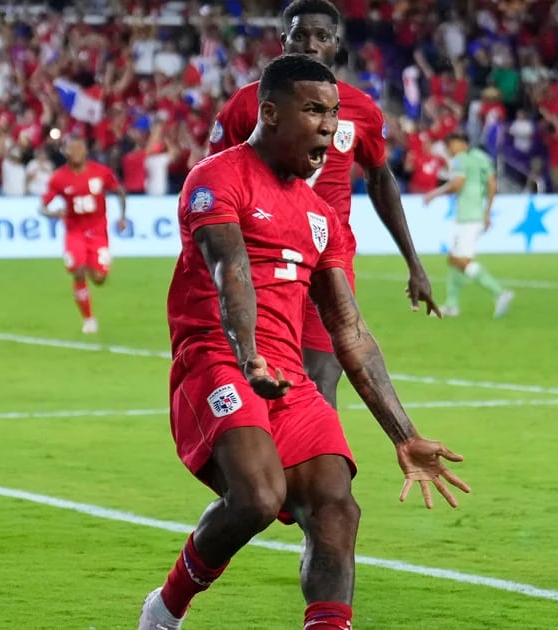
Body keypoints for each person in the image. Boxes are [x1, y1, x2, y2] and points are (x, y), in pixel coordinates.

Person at [138, 54, 469, 630]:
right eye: (314, 110)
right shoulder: (217, 177)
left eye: (334, 113)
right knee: (259, 498)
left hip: (285, 376)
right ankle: (164, 610)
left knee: (337, 507)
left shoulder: (322, 217)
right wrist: (248, 356)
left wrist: (405, 435)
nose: (329, 127)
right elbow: (230, 272)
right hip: (218, 359)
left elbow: (349, 330)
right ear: (269, 112)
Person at [208, 0, 437, 409]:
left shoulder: (362, 109)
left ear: (336, 44)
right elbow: (212, 177)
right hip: (259, 257)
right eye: (299, 34)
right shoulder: (246, 106)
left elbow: (381, 180)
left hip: (327, 257)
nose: (310, 44)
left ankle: (316, 463)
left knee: (322, 377)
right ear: (283, 42)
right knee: (258, 372)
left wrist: (413, 261)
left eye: (322, 36)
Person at [38, 137, 127, 334]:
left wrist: (122, 216)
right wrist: (53, 213)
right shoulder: (59, 178)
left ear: (86, 152)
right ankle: (88, 319)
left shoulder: (100, 172)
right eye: (73, 149)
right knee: (77, 270)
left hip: (98, 233)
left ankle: (89, 262)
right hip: (74, 232)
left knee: (99, 278)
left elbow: (119, 191)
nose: (77, 152)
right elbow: (41, 207)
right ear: (67, 153)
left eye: (80, 149)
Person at [421, 131, 513, 318]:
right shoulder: (482, 157)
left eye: (451, 145)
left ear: (461, 142)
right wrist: (487, 213)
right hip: (477, 215)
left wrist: (434, 194)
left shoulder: (460, 160)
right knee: (455, 259)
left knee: (459, 260)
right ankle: (452, 305)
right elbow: (492, 185)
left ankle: (499, 292)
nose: (450, 150)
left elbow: (457, 184)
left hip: (465, 217)